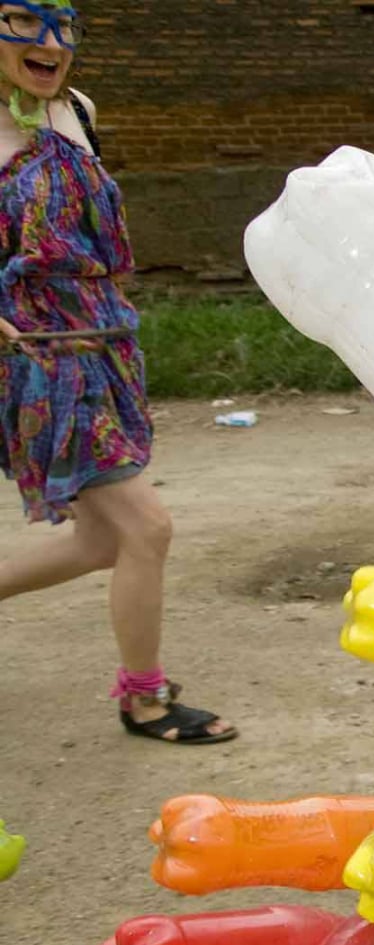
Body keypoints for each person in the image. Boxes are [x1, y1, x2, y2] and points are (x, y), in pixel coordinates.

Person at [0, 1, 232, 743]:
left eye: (62, 26)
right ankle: (145, 697)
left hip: (103, 347)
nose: (50, 44)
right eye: (24, 22)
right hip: (39, 362)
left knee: (104, 542)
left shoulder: (81, 112)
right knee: (147, 527)